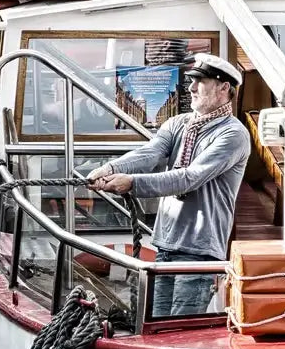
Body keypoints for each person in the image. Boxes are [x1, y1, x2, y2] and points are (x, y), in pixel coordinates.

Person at [88, 53, 250, 318]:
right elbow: (149, 153)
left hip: (200, 252)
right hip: (166, 244)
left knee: (176, 328)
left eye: (201, 81)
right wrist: (110, 168)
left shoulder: (233, 135)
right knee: (156, 322)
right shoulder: (178, 123)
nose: (191, 88)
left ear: (224, 88)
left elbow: (188, 177)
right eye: (191, 81)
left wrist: (131, 183)